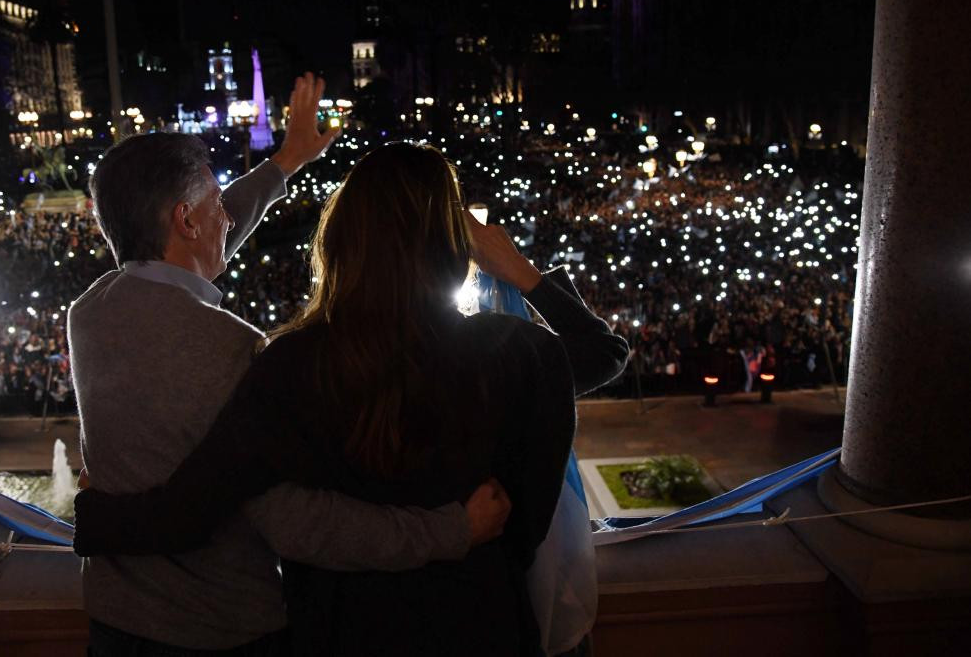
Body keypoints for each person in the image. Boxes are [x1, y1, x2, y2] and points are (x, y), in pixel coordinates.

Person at [74, 141, 630, 655]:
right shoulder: (513, 353)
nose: (225, 215)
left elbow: (196, 503)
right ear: (452, 242)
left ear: (341, 238)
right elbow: (602, 353)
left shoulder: (290, 365)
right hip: (481, 620)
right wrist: (518, 269)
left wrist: (97, 516)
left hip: (343, 631)